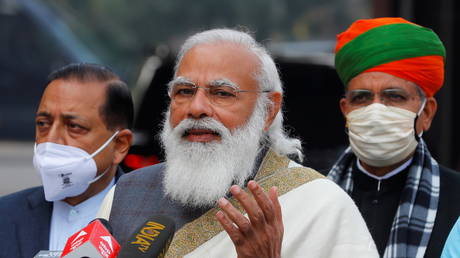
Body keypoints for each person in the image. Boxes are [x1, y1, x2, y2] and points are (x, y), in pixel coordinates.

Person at [97, 29, 378, 257]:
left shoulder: (320, 206)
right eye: (184, 91)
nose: (196, 108)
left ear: (268, 110)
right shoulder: (126, 193)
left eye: (221, 93)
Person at [328, 17, 460, 258]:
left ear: (427, 113)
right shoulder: (313, 194)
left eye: (394, 97)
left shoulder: (455, 199)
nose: (376, 111)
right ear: (346, 110)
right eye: (362, 98)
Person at [0, 63, 133, 257]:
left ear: (120, 145)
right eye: (43, 124)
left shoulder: (152, 222)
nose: (51, 139)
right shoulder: (5, 215)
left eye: (74, 126)